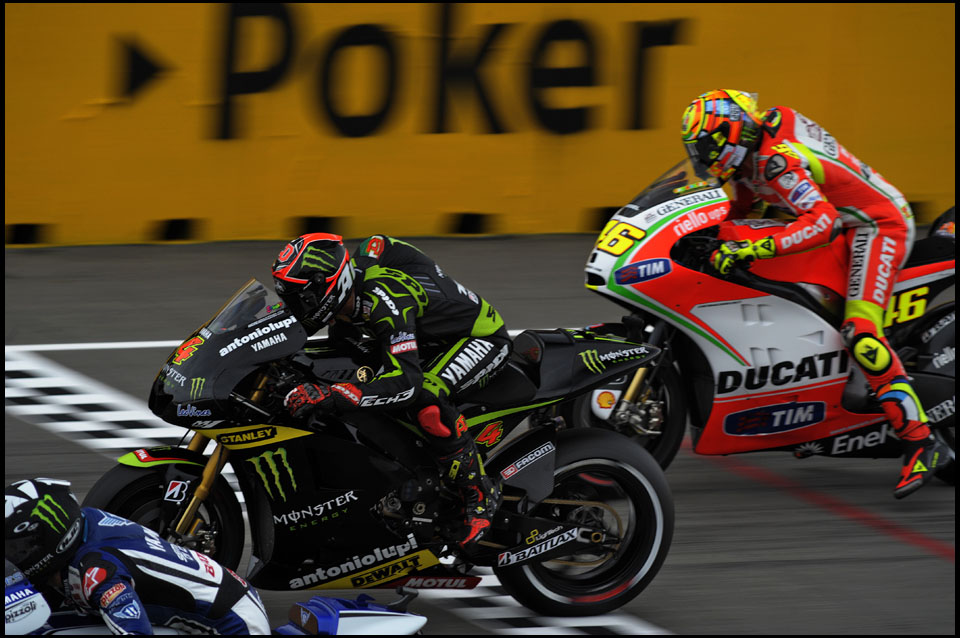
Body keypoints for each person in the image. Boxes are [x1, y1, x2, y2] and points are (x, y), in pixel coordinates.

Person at [680, 89, 950, 499]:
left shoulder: (776, 160)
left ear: (729, 135)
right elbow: (744, 211)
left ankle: (921, 440)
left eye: (704, 148)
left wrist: (755, 248)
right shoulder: (746, 160)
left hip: (876, 225)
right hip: (843, 224)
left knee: (860, 333)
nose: (701, 158)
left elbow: (821, 222)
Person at [273, 233, 508, 547]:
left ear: (327, 287)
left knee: (427, 400)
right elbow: (378, 241)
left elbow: (407, 384)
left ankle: (478, 492)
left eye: (302, 297)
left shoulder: (385, 302)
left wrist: (335, 396)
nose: (296, 305)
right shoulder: (351, 284)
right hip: (428, 336)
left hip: (478, 339)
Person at [4, 478, 270, 635]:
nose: (12, 556)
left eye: (17, 549)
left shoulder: (97, 572)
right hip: (221, 598)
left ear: (49, 540)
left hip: (234, 624)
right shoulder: (86, 522)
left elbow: (135, 630)